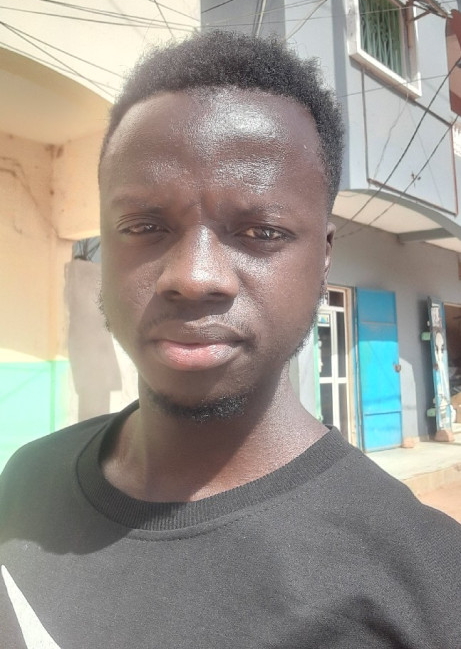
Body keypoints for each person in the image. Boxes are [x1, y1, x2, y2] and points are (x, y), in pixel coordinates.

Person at [0, 31, 460, 649]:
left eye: (261, 232)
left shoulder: (429, 586)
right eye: (144, 226)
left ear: (324, 256)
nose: (194, 277)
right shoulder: (26, 481)